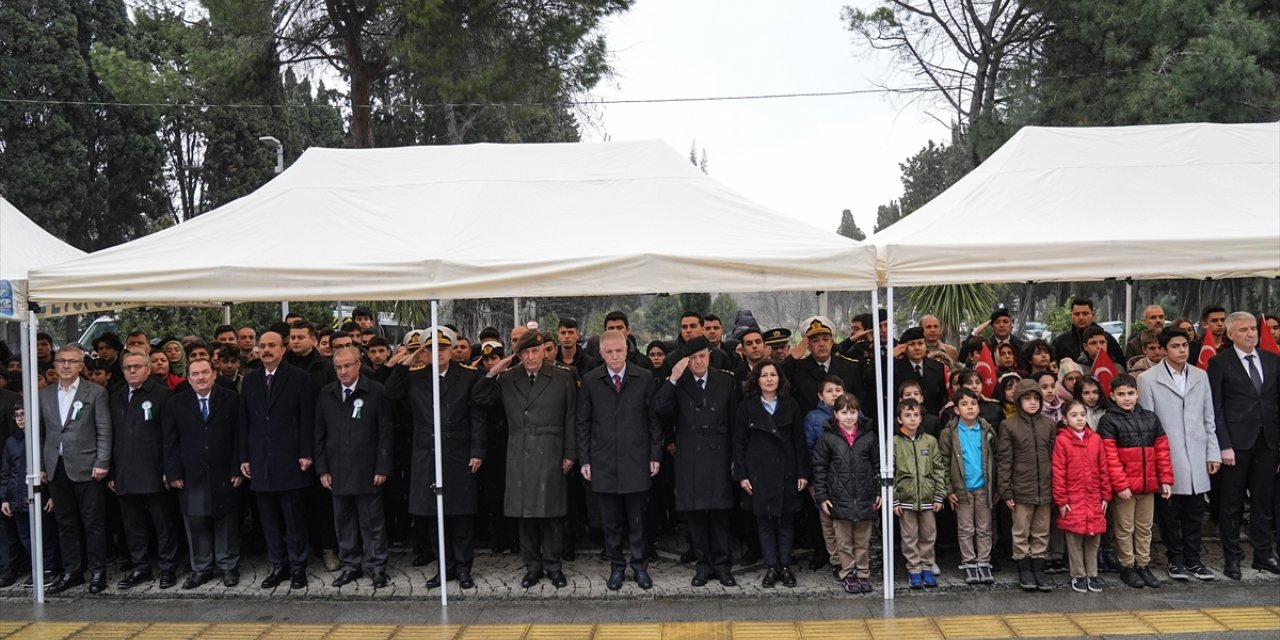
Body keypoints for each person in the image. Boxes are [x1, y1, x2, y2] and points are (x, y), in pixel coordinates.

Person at [473, 331, 576, 589]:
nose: (531, 357)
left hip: (552, 448)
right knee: (525, 513)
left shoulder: (563, 377)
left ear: (544, 351)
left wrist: (570, 452)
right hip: (520, 448)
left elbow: (572, 417)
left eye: (535, 351)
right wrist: (493, 371)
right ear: (518, 355)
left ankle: (553, 565)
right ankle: (532, 566)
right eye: (525, 353)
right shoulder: (507, 379)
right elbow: (479, 398)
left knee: (552, 512)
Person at [385, 329, 486, 589]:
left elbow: (477, 416)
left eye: (443, 347)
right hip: (426, 452)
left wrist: (477, 451)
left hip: (458, 452)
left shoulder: (467, 376)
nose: (438, 353)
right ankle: (445, 567)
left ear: (452, 350)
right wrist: (407, 360)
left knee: (461, 514)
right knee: (434, 515)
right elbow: (389, 392)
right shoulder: (414, 377)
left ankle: (463, 568)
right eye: (431, 349)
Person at [576, 331, 662, 590]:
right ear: (601, 354)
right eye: (609, 352)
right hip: (603, 461)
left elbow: (654, 420)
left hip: (636, 459)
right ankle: (616, 566)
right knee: (610, 521)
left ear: (627, 350)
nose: (615, 356)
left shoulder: (644, 377)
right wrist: (585, 459)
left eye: (619, 351)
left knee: (637, 519)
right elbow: (583, 423)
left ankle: (639, 566)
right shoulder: (591, 380)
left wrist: (655, 454)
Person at [653, 336, 741, 588]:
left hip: (719, 453)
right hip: (690, 454)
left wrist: (736, 457)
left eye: (702, 355)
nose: (699, 361)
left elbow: (735, 421)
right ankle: (703, 565)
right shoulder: (678, 382)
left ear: (709, 355)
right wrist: (672, 378)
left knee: (720, 514)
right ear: (685, 360)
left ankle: (723, 565)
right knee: (696, 514)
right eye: (693, 358)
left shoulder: (725, 380)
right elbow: (659, 408)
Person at [1137, 327, 1219, 582]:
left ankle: (1193, 559)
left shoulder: (1200, 376)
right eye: (1175, 346)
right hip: (1167, 454)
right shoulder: (1148, 379)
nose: (1182, 350)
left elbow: (1209, 417)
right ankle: (1175, 559)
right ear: (1163, 349)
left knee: (1195, 510)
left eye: (1184, 345)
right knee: (1170, 512)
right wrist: (1155, 462)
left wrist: (1212, 452)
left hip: (1196, 451)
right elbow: (1149, 424)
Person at [239, 330, 315, 590]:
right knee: (269, 520)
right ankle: (278, 565)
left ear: (283, 349)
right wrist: (244, 456)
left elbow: (308, 418)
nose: (267, 350)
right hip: (260, 461)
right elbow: (244, 423)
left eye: (272, 345)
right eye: (263, 346)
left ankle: (297, 567)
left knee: (293, 519)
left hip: (291, 460)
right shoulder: (250, 381)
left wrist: (307, 452)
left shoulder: (299, 378)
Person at [1207, 311, 1280, 579]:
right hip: (1235, 445)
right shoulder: (1219, 363)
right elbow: (1216, 407)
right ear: (1230, 334)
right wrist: (1223, 444)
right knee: (1231, 504)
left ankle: (1263, 554)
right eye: (1244, 330)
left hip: (1268, 442)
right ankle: (1232, 558)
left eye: (1253, 329)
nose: (1251, 334)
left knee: (1262, 502)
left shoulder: (1272, 360)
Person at [315, 345, 394, 589]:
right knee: (344, 521)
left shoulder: (375, 391)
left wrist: (382, 466)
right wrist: (322, 469)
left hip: (367, 469)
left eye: (348, 366)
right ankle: (350, 565)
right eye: (338, 367)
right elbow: (319, 434)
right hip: (337, 469)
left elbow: (385, 433)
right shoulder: (326, 394)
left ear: (359, 364)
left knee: (372, 521)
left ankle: (377, 566)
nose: (343, 371)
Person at [163, 358, 245, 589]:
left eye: (205, 372)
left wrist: (238, 467)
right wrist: (172, 472)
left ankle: (228, 567)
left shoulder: (232, 400)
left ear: (214, 374)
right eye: (195, 374)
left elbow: (240, 436)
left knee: (226, 521)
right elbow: (170, 441)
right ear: (188, 378)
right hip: (191, 474)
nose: (201, 378)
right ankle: (201, 568)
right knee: (196, 522)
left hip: (225, 471)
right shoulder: (176, 403)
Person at [41, 345, 112, 594]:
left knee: (93, 522)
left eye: (72, 361)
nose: (66, 366)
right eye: (61, 360)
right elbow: (43, 434)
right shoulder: (45, 394)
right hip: (56, 467)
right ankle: (73, 571)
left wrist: (102, 462)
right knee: (65, 523)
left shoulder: (95, 392)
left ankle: (98, 571)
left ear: (82, 365)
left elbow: (104, 429)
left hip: (87, 466)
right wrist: (41, 466)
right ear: (54, 365)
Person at [734, 361, 809, 588]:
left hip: (787, 470)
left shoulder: (791, 405)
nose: (768, 379)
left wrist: (802, 473)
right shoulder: (747, 407)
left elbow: (799, 442)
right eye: (764, 375)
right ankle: (771, 567)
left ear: (780, 378)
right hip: (758, 472)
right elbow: (739, 443)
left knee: (786, 521)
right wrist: (742, 474)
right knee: (764, 522)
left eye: (773, 375)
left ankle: (785, 566)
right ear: (756, 379)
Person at [108, 349, 178, 590]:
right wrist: (112, 471)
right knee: (133, 523)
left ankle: (168, 567)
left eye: (137, 366)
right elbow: (112, 437)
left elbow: (170, 437)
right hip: (125, 471)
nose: (132, 371)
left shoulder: (162, 395)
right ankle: (141, 567)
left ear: (148, 369)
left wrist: (169, 470)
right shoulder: (116, 396)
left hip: (154, 470)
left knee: (162, 522)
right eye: (128, 367)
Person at [1097, 373, 1173, 589]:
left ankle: (1143, 564)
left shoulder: (1151, 417)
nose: (1127, 398)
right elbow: (1109, 457)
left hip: (1148, 485)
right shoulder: (1109, 420)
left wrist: (1165, 479)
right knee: (1124, 528)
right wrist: (1120, 484)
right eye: (1121, 394)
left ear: (1138, 393)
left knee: (1144, 527)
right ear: (1112, 396)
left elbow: (1162, 451)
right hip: (1126, 488)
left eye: (1131, 393)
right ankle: (1127, 566)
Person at [811, 393, 880, 594]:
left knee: (862, 540)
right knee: (843, 541)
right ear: (835, 414)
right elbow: (820, 468)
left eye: (853, 412)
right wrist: (822, 496)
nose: (849, 417)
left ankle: (863, 573)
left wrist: (878, 491)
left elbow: (877, 465)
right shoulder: (828, 438)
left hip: (865, 496)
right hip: (838, 497)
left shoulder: (868, 436)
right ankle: (848, 573)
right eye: (844, 412)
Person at [997, 378, 1056, 592]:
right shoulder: (1009, 425)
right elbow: (1004, 459)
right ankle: (1023, 567)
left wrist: (1055, 486)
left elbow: (1054, 456)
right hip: (1021, 488)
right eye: (1027, 398)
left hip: (1045, 486)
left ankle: (1039, 565)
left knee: (1041, 530)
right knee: (1021, 529)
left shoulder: (1048, 424)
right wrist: (1005, 490)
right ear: (1018, 400)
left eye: (1036, 399)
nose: (1032, 403)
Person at [939, 389, 997, 584]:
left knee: (984, 527)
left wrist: (994, 486)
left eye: (973, 403)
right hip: (961, 488)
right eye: (964, 404)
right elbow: (943, 462)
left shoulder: (987, 430)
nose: (970, 407)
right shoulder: (950, 433)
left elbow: (994, 458)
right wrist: (948, 489)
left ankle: (984, 561)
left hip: (983, 487)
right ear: (956, 409)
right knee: (965, 528)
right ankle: (969, 561)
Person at [1053, 399, 1111, 593]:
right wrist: (1061, 500)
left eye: (1082, 415)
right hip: (1073, 498)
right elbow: (1058, 472)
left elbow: (1103, 468)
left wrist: (1105, 495)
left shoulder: (1095, 439)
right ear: (1065, 418)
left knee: (1093, 539)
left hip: (1093, 496)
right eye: (1074, 415)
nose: (1079, 419)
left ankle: (1092, 574)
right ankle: (1078, 574)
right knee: (1074, 539)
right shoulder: (1062, 441)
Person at [1, 406, 62, 588]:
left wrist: (52, 495)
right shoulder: (12, 442)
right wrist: (4, 499)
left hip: (40, 494)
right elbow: (6, 472)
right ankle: (36, 568)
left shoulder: (42, 439)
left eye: (24, 414)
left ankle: (50, 568)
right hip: (17, 497)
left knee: (46, 533)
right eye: (17, 416)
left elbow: (52, 468)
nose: (20, 419)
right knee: (26, 536)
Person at [893, 398, 944, 589]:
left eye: (916, 415)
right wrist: (895, 500)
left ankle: (927, 567)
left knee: (929, 534)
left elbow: (938, 468)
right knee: (909, 536)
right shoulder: (895, 443)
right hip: (906, 499)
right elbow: (891, 472)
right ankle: (914, 569)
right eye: (907, 415)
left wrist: (939, 495)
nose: (912, 419)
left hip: (928, 498)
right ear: (899, 419)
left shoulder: (930, 441)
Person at [892, 327, 947, 417]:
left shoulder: (937, 367)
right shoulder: (895, 368)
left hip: (932, 419)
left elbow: (942, 397)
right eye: (912, 344)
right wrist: (889, 357)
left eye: (920, 343)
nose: (917, 348)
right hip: (906, 418)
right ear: (904, 348)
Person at [1052, 298, 1125, 365]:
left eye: (1085, 314)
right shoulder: (1060, 342)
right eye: (1077, 314)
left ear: (1093, 315)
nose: (1081, 318)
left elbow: (1120, 364)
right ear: (1071, 316)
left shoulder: (1107, 339)